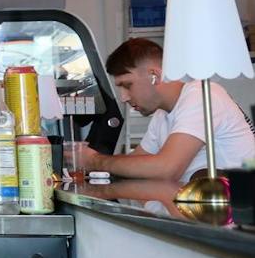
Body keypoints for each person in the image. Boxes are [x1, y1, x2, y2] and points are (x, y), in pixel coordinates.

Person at [71, 37, 255, 182]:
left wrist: (95, 161)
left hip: (234, 218)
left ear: (154, 75)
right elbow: (137, 161)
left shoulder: (201, 95)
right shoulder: (162, 113)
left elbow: (167, 169)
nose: (124, 97)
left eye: (127, 85)